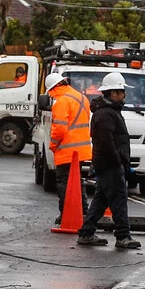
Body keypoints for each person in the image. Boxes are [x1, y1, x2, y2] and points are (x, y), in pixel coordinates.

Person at [76, 72, 141, 249]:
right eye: (122, 91)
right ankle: (123, 236)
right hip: (111, 165)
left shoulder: (107, 112)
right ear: (113, 93)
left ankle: (87, 232)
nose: (124, 95)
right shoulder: (106, 114)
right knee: (119, 199)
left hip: (107, 165)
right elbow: (107, 143)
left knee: (101, 200)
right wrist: (118, 162)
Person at [45, 71, 92, 223]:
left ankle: (66, 213)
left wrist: (52, 145)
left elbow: (59, 129)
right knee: (78, 183)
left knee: (64, 183)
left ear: (53, 89)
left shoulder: (62, 102)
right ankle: (83, 211)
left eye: (50, 93)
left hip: (67, 150)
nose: (51, 96)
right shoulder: (81, 97)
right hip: (81, 150)